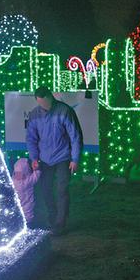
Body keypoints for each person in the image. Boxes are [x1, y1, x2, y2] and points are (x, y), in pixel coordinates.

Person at [26, 86, 83, 236]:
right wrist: (34, 158)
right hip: (44, 159)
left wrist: (75, 159)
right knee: (45, 189)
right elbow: (31, 138)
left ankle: (60, 222)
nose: (44, 106)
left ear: (51, 97)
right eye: (41, 104)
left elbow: (75, 136)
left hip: (63, 157)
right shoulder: (34, 114)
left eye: (46, 103)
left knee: (61, 189)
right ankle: (53, 217)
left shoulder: (64, 111)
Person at [11, 158, 41, 228]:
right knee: (28, 215)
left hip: (18, 209)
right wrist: (37, 169)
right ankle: (30, 226)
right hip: (28, 211)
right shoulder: (27, 181)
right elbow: (36, 175)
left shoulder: (13, 181)